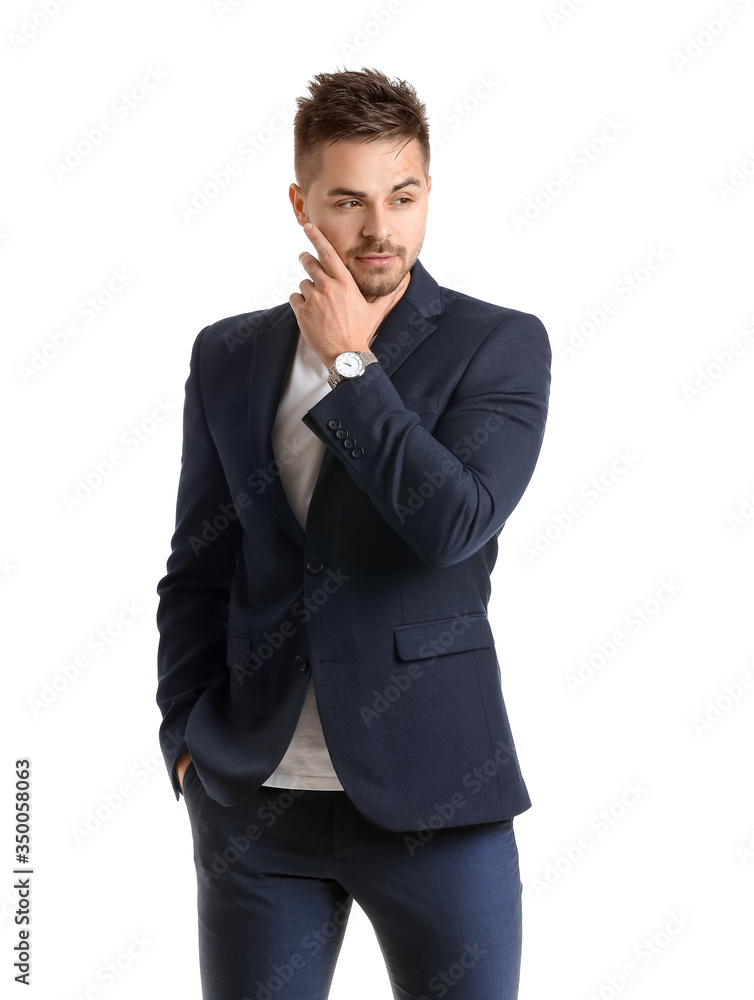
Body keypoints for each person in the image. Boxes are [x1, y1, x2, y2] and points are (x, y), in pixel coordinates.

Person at [156, 66, 551, 1000]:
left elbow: (453, 523)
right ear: (302, 206)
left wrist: (348, 363)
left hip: (437, 800)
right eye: (349, 200)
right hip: (255, 807)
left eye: (403, 196)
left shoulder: (499, 345)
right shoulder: (230, 354)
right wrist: (185, 739)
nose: (381, 228)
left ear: (427, 194)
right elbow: (198, 568)